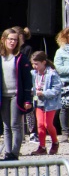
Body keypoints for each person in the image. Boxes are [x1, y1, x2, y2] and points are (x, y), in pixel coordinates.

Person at [0, 29, 33, 161]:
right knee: (6, 125)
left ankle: (14, 152)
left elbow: (27, 80)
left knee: (15, 124)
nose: (12, 42)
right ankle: (7, 152)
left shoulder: (21, 57)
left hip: (16, 95)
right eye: (10, 39)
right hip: (3, 95)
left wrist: (27, 99)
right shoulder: (1, 56)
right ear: (4, 39)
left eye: (15, 39)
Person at [29, 51, 62, 156]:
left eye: (36, 64)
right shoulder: (33, 73)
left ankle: (55, 142)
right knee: (40, 124)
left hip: (50, 103)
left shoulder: (52, 73)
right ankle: (42, 146)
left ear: (44, 62)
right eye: (33, 64)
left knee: (48, 124)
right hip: (38, 102)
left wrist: (43, 93)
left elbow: (57, 89)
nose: (34, 66)